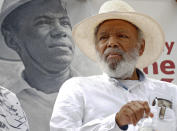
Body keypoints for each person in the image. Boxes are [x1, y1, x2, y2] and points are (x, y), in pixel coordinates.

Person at [50, 0, 177, 131]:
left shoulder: (171, 92)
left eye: (122, 36)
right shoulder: (76, 89)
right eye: (103, 37)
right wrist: (116, 122)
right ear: (96, 48)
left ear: (141, 47)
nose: (111, 43)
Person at [0, 0, 77, 130]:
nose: (60, 31)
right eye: (43, 22)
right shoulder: (4, 106)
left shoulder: (100, 93)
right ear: (12, 40)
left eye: (64, 22)